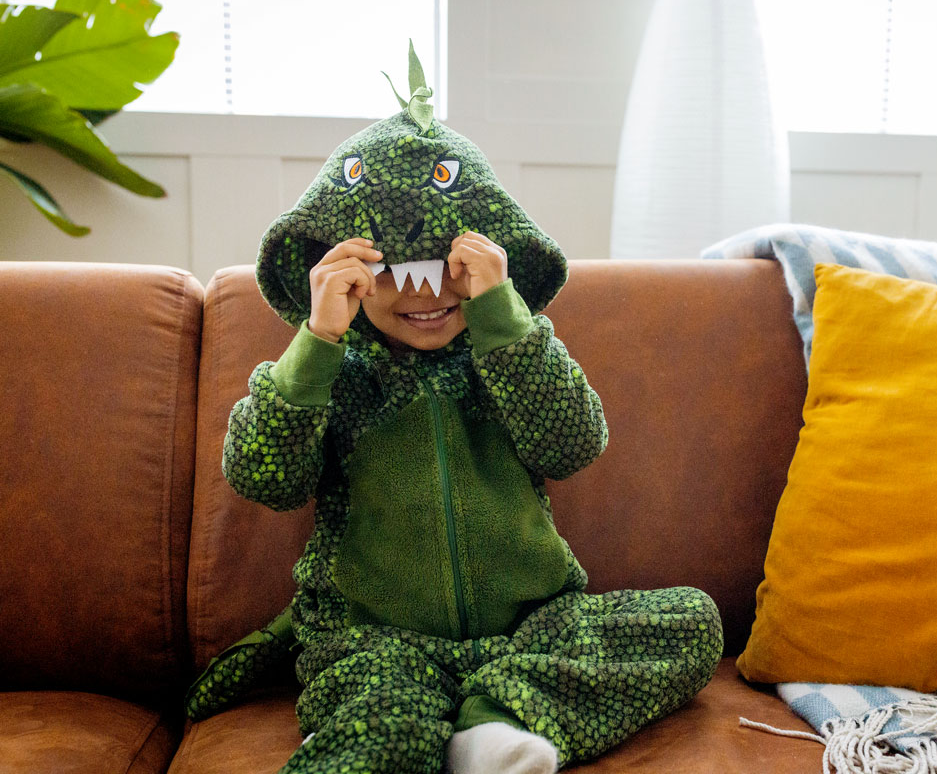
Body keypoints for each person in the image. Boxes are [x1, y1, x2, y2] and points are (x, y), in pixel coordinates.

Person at [186, 48, 723, 774]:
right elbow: (263, 477)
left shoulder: (511, 349)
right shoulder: (331, 369)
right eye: (391, 276)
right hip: (376, 642)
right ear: (347, 276)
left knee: (692, 622)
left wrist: (504, 318)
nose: (423, 296)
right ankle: (383, 735)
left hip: (535, 632)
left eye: (450, 269)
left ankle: (494, 724)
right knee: (384, 720)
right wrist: (316, 341)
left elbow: (573, 442)